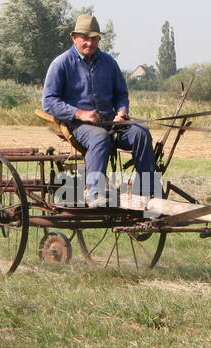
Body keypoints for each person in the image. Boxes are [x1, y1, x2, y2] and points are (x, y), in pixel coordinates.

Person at [41, 13, 161, 205]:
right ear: (74, 38)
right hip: (79, 125)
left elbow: (121, 94)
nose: (90, 43)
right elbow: (48, 101)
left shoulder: (109, 63)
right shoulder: (61, 64)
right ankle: (94, 191)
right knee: (100, 137)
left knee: (141, 133)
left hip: (112, 122)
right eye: (85, 38)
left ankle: (149, 191)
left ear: (99, 39)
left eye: (94, 38)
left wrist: (122, 112)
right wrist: (81, 114)